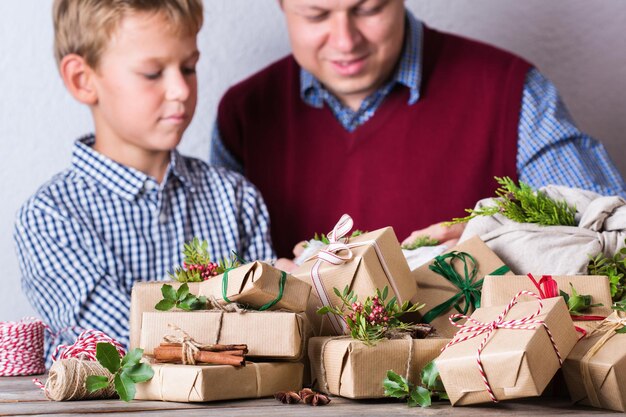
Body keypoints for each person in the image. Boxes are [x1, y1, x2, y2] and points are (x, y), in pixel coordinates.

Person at [211, 0, 626, 261]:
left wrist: (499, 238)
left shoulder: (511, 90)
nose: (345, 40)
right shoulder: (245, 112)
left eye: (368, 8)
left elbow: (614, 231)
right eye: (317, 14)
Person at [13, 0, 274, 358]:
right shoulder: (50, 218)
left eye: (189, 67)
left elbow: (271, 333)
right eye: (153, 73)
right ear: (82, 79)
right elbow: (123, 346)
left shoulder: (237, 198)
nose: (181, 89)